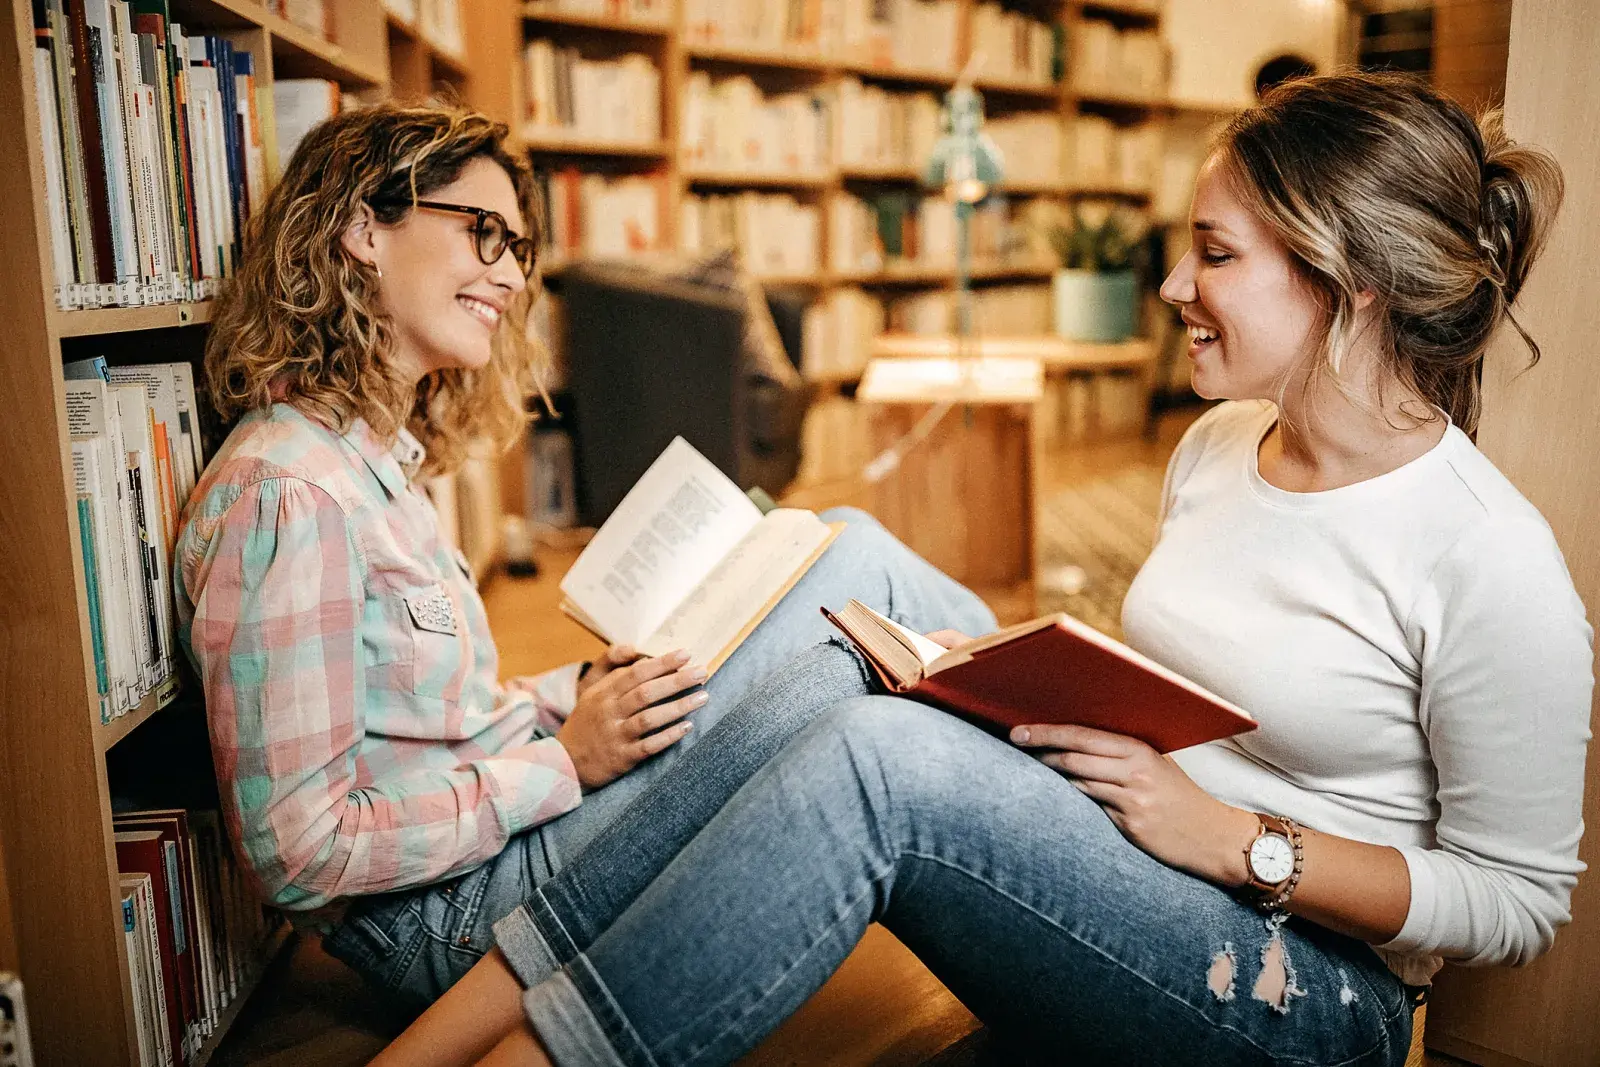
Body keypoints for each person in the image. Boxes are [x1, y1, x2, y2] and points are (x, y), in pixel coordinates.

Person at [367, 73, 1594, 1067]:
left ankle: (540, 1041)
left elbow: (1513, 904)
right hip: (1143, 830)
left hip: (1302, 985)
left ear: (1351, 285)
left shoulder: (1487, 560)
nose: (1170, 286)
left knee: (883, 759)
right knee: (846, 582)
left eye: (1212, 255)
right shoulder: (1223, 446)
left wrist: (1236, 838)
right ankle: (493, 977)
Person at [173, 102, 997, 1016]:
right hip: (445, 913)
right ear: (364, 227)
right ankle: (1082, 756)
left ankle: (1063, 764)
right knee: (856, 575)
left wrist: (581, 685)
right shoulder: (290, 492)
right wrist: (565, 762)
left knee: (828, 552)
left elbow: (432, 725)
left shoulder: (372, 463)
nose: (508, 275)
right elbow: (300, 851)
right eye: (483, 232)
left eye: (517, 250)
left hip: (501, 830)